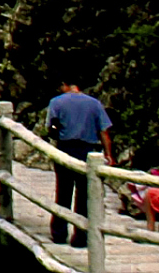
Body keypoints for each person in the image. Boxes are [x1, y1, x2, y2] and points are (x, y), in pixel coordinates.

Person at [48, 77, 115, 247]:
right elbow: (104, 131)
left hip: (65, 148)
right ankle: (80, 236)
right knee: (84, 195)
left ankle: (59, 233)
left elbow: (52, 128)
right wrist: (109, 154)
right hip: (88, 150)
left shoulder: (56, 102)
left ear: (66, 84)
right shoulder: (94, 104)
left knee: (63, 192)